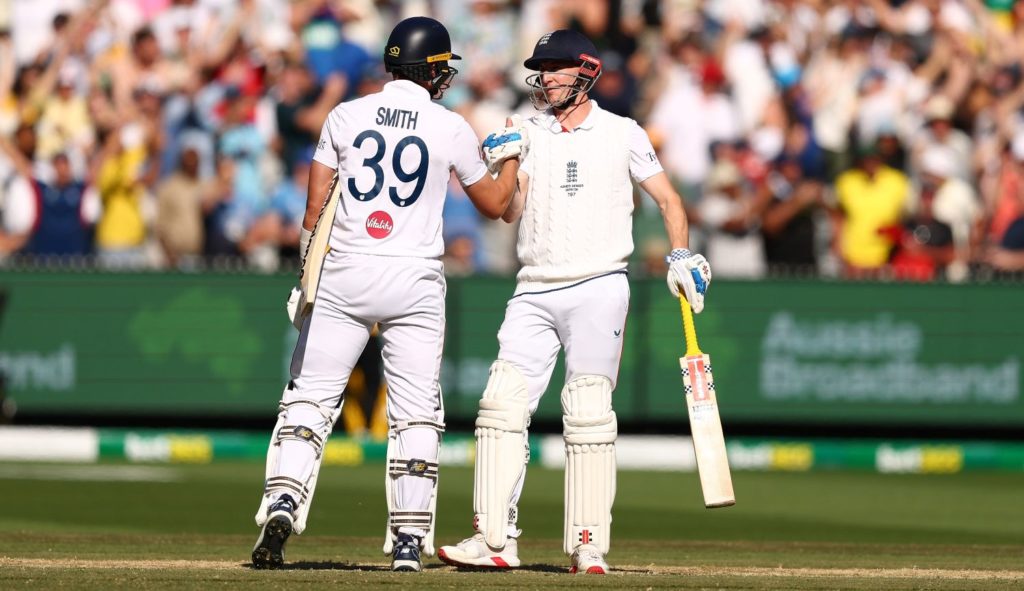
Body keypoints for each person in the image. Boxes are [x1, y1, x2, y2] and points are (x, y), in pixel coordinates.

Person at [250, 16, 524, 573]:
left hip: (346, 272)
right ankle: (406, 540)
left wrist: (307, 277)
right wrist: (512, 155)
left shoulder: (345, 115)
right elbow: (497, 207)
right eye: (442, 67)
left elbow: (312, 212)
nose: (446, 76)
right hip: (413, 279)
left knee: (309, 401)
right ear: (428, 69)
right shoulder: (449, 125)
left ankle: (282, 503)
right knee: (416, 413)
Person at [437, 29, 711, 575]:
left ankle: (588, 544)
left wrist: (680, 255)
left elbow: (669, 200)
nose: (545, 77)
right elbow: (509, 212)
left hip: (599, 283)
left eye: (556, 67)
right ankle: (493, 538)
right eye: (541, 68)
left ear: (586, 72)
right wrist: (506, 165)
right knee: (500, 405)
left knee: (587, 411)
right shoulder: (524, 127)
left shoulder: (623, 132)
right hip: (534, 285)